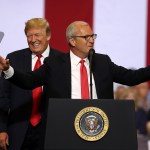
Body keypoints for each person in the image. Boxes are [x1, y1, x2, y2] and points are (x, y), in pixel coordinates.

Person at [1, 20, 150, 139]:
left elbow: (131, 78)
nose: (91, 40)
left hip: (99, 129)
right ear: (72, 41)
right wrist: (8, 69)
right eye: (86, 37)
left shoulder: (103, 62)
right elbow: (29, 80)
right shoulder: (55, 64)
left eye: (93, 36)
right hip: (65, 129)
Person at [0, 18, 61, 150]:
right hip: (18, 129)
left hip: (51, 130)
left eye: (37, 35)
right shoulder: (13, 59)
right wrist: (2, 129)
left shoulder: (62, 61)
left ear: (48, 35)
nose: (33, 40)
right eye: (29, 36)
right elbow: (3, 97)